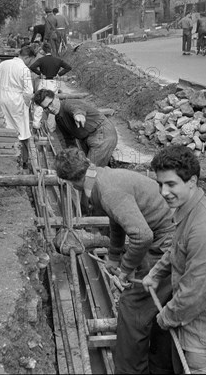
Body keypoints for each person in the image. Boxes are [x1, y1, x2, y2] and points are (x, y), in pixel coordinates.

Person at [54, 147, 174, 375]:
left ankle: (130, 370)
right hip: (164, 236)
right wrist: (115, 255)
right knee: (158, 306)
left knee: (132, 308)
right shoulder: (103, 176)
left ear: (71, 182)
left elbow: (142, 236)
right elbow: (117, 219)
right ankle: (158, 365)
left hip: (167, 242)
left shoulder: (107, 191)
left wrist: (125, 270)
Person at [143, 144, 206, 374]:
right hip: (192, 328)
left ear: (192, 181)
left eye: (170, 184)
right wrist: (156, 273)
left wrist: (164, 318)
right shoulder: (188, 210)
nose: (163, 192)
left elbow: (194, 293)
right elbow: (176, 249)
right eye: (160, 184)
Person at [33, 88, 117, 167]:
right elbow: (68, 140)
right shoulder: (58, 119)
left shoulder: (67, 104)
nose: (50, 109)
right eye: (46, 108)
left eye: (50, 104)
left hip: (102, 133)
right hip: (88, 137)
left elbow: (76, 108)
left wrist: (79, 115)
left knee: (89, 171)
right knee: (83, 165)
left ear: (56, 98)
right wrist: (69, 157)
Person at [0, 45, 34, 166]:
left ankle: (1, 155)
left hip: (0, 97)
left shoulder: (3, 64)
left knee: (2, 125)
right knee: (21, 130)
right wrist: (26, 104)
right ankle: (23, 160)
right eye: (30, 60)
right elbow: (29, 92)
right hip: (16, 100)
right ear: (26, 57)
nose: (30, 63)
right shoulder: (24, 69)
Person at [29, 43, 72, 132]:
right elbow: (68, 67)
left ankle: (36, 124)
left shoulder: (41, 60)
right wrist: (59, 74)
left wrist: (40, 74)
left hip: (44, 82)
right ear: (51, 50)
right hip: (54, 82)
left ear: (43, 51)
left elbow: (32, 67)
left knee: (40, 102)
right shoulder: (58, 60)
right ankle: (51, 128)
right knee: (52, 104)